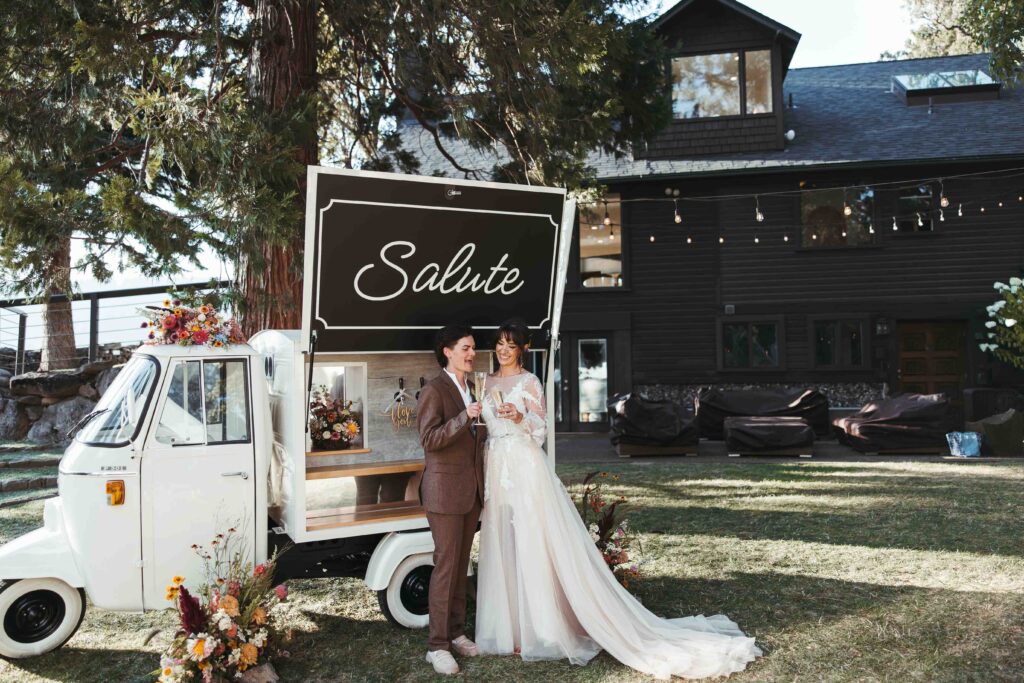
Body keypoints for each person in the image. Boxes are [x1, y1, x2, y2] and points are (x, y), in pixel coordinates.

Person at [474, 319, 762, 680]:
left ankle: (540, 630)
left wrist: (520, 416)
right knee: (504, 543)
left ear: (523, 350)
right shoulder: (484, 381)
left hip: (525, 468)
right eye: (499, 343)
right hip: (496, 467)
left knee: (532, 543)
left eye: (510, 345)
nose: (503, 350)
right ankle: (508, 629)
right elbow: (482, 425)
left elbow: (541, 431)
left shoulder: (530, 382)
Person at [415, 324, 486, 675]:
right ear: (447, 350)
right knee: (445, 567)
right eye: (466, 348)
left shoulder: (471, 387)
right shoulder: (434, 390)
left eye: (473, 348)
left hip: (470, 493)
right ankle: (437, 646)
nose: (472, 354)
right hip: (443, 493)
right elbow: (429, 439)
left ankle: (456, 632)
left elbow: (474, 439)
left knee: (461, 566)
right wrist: (465, 417)